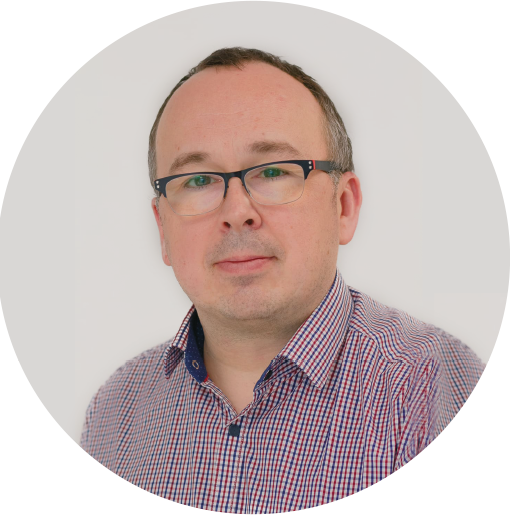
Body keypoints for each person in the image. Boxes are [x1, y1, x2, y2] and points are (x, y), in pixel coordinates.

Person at [80, 47, 485, 511]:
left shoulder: (432, 387)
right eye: (198, 181)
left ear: (344, 206)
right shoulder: (114, 411)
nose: (237, 212)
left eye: (273, 171)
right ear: (162, 228)